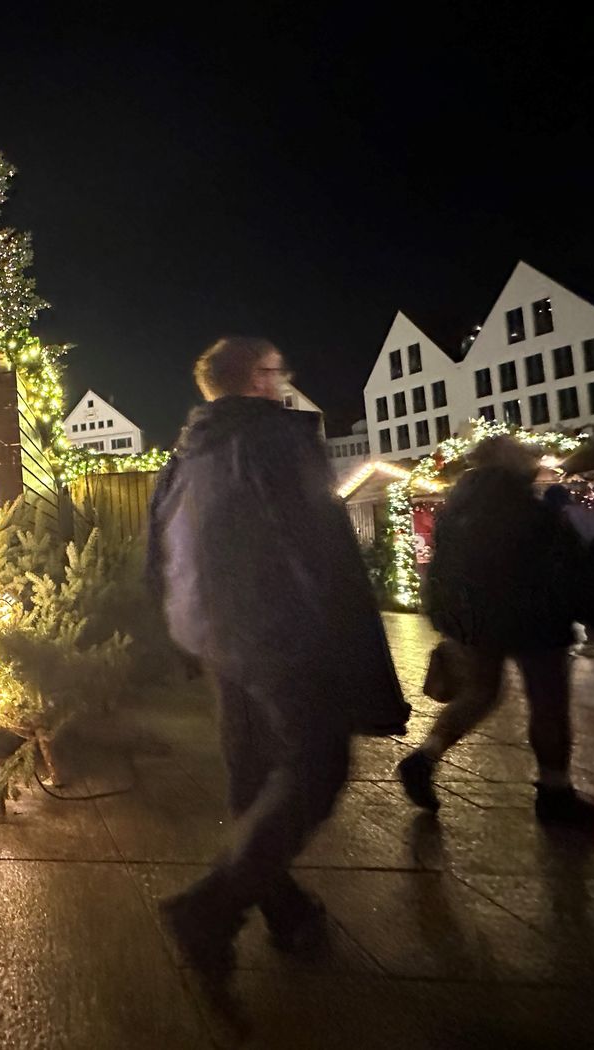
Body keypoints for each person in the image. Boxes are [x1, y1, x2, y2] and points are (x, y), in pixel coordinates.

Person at [148, 336, 409, 983]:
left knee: (251, 769)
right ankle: (210, 909)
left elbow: (155, 557)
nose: (282, 382)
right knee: (316, 765)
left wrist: (179, 639)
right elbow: (323, 547)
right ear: (260, 379)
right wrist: (362, 661)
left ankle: (284, 906)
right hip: (282, 633)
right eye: (277, 372)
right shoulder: (274, 439)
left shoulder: (184, 457)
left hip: (217, 637)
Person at [397, 442, 594, 829]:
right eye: (524, 454)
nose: (531, 459)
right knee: (548, 702)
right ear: (507, 460)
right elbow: (559, 558)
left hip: (477, 620)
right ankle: (555, 791)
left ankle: (424, 757)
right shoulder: (525, 505)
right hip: (535, 618)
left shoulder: (459, 507)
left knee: (481, 693)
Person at [543, 484, 594, 660]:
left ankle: (576, 643)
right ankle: (593, 641)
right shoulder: (583, 510)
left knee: (567, 604)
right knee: (591, 603)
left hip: (574, 566)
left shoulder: (558, 515)